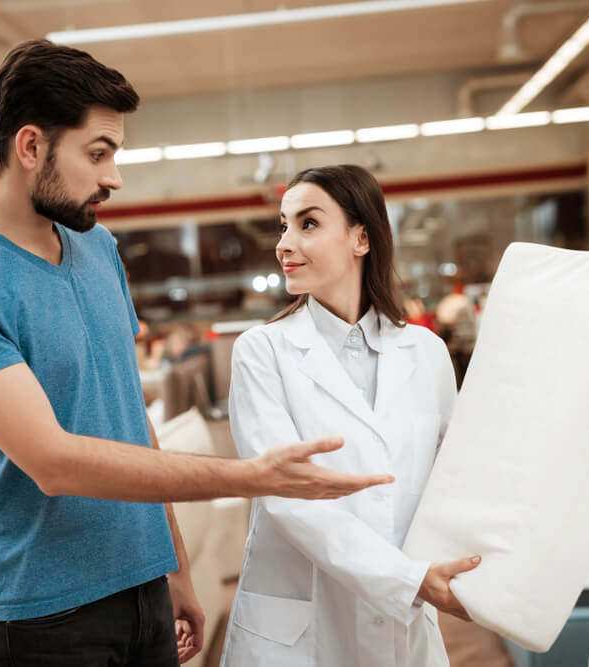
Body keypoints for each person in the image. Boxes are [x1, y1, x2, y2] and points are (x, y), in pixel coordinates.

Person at [0, 41, 390, 667]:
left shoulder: (96, 247)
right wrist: (250, 477)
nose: (114, 177)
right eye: (98, 154)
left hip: (145, 592)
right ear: (30, 147)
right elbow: (54, 460)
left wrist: (174, 565)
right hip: (43, 620)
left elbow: (129, 418)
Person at [221, 165, 480, 667]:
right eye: (283, 225)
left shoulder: (425, 351)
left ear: (361, 237)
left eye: (309, 223)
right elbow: (287, 498)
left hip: (406, 621)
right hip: (302, 629)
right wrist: (406, 580)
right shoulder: (262, 351)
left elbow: (453, 478)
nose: (285, 243)